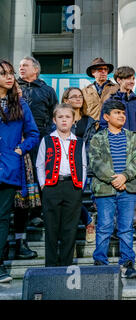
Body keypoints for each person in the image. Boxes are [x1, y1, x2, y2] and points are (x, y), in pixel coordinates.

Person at [89, 99, 136, 279]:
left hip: (127, 189)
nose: (121, 115)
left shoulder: (132, 137)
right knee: (104, 226)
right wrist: (114, 179)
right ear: (106, 117)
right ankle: (100, 263)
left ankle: (127, 263)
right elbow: (95, 162)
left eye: (123, 113)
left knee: (126, 227)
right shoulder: (97, 138)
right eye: (117, 113)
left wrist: (124, 176)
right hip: (105, 189)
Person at [99, 66, 136, 241]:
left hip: (134, 152)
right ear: (119, 80)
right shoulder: (109, 101)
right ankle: (114, 227)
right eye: (128, 78)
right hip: (114, 150)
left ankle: (134, 227)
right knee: (113, 188)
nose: (132, 81)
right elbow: (103, 125)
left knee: (133, 190)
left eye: (133, 78)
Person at [0, 60, 39, 283]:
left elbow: (33, 134)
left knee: (3, 218)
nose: (9, 77)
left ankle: (0, 265)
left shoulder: (20, 104)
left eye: (11, 73)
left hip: (8, 168)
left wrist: (18, 150)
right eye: (3, 73)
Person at [36, 103, 87, 267]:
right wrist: (44, 184)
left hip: (72, 187)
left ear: (73, 120)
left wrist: (80, 186)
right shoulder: (47, 140)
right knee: (51, 228)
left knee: (70, 229)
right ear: (54, 120)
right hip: (52, 187)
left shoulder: (79, 142)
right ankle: (50, 266)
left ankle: (66, 264)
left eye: (67, 117)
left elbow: (84, 165)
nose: (64, 120)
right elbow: (40, 164)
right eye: (60, 117)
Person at [18, 56, 58, 228]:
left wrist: (48, 136)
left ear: (36, 69)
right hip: (17, 139)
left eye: (25, 65)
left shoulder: (46, 90)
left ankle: (36, 213)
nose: (21, 68)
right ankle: (18, 211)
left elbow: (54, 114)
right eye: (20, 66)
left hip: (41, 139)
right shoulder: (14, 88)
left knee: (38, 173)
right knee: (20, 175)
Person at [61, 87, 99, 243]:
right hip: (63, 165)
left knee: (75, 197)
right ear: (65, 100)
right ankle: (88, 219)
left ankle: (87, 222)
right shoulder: (61, 118)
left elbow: (92, 144)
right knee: (67, 199)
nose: (78, 99)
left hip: (82, 165)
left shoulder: (89, 121)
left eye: (80, 96)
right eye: (74, 96)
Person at [82, 57, 119, 122]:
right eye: (100, 69)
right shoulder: (85, 91)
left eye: (105, 69)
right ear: (93, 72)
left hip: (111, 127)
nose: (103, 71)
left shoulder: (117, 88)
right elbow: (82, 112)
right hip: (91, 129)